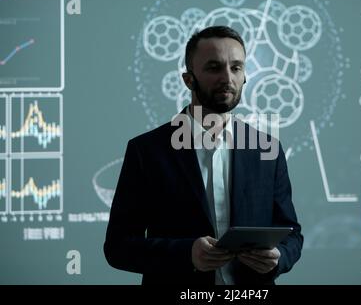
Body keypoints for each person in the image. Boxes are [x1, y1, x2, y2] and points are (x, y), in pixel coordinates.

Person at [104, 25, 303, 285]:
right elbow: (118, 247)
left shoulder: (267, 149)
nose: (228, 78)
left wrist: (279, 256)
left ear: (245, 76)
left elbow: (292, 234)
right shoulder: (147, 152)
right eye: (214, 67)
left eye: (236, 67)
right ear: (188, 79)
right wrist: (186, 254)